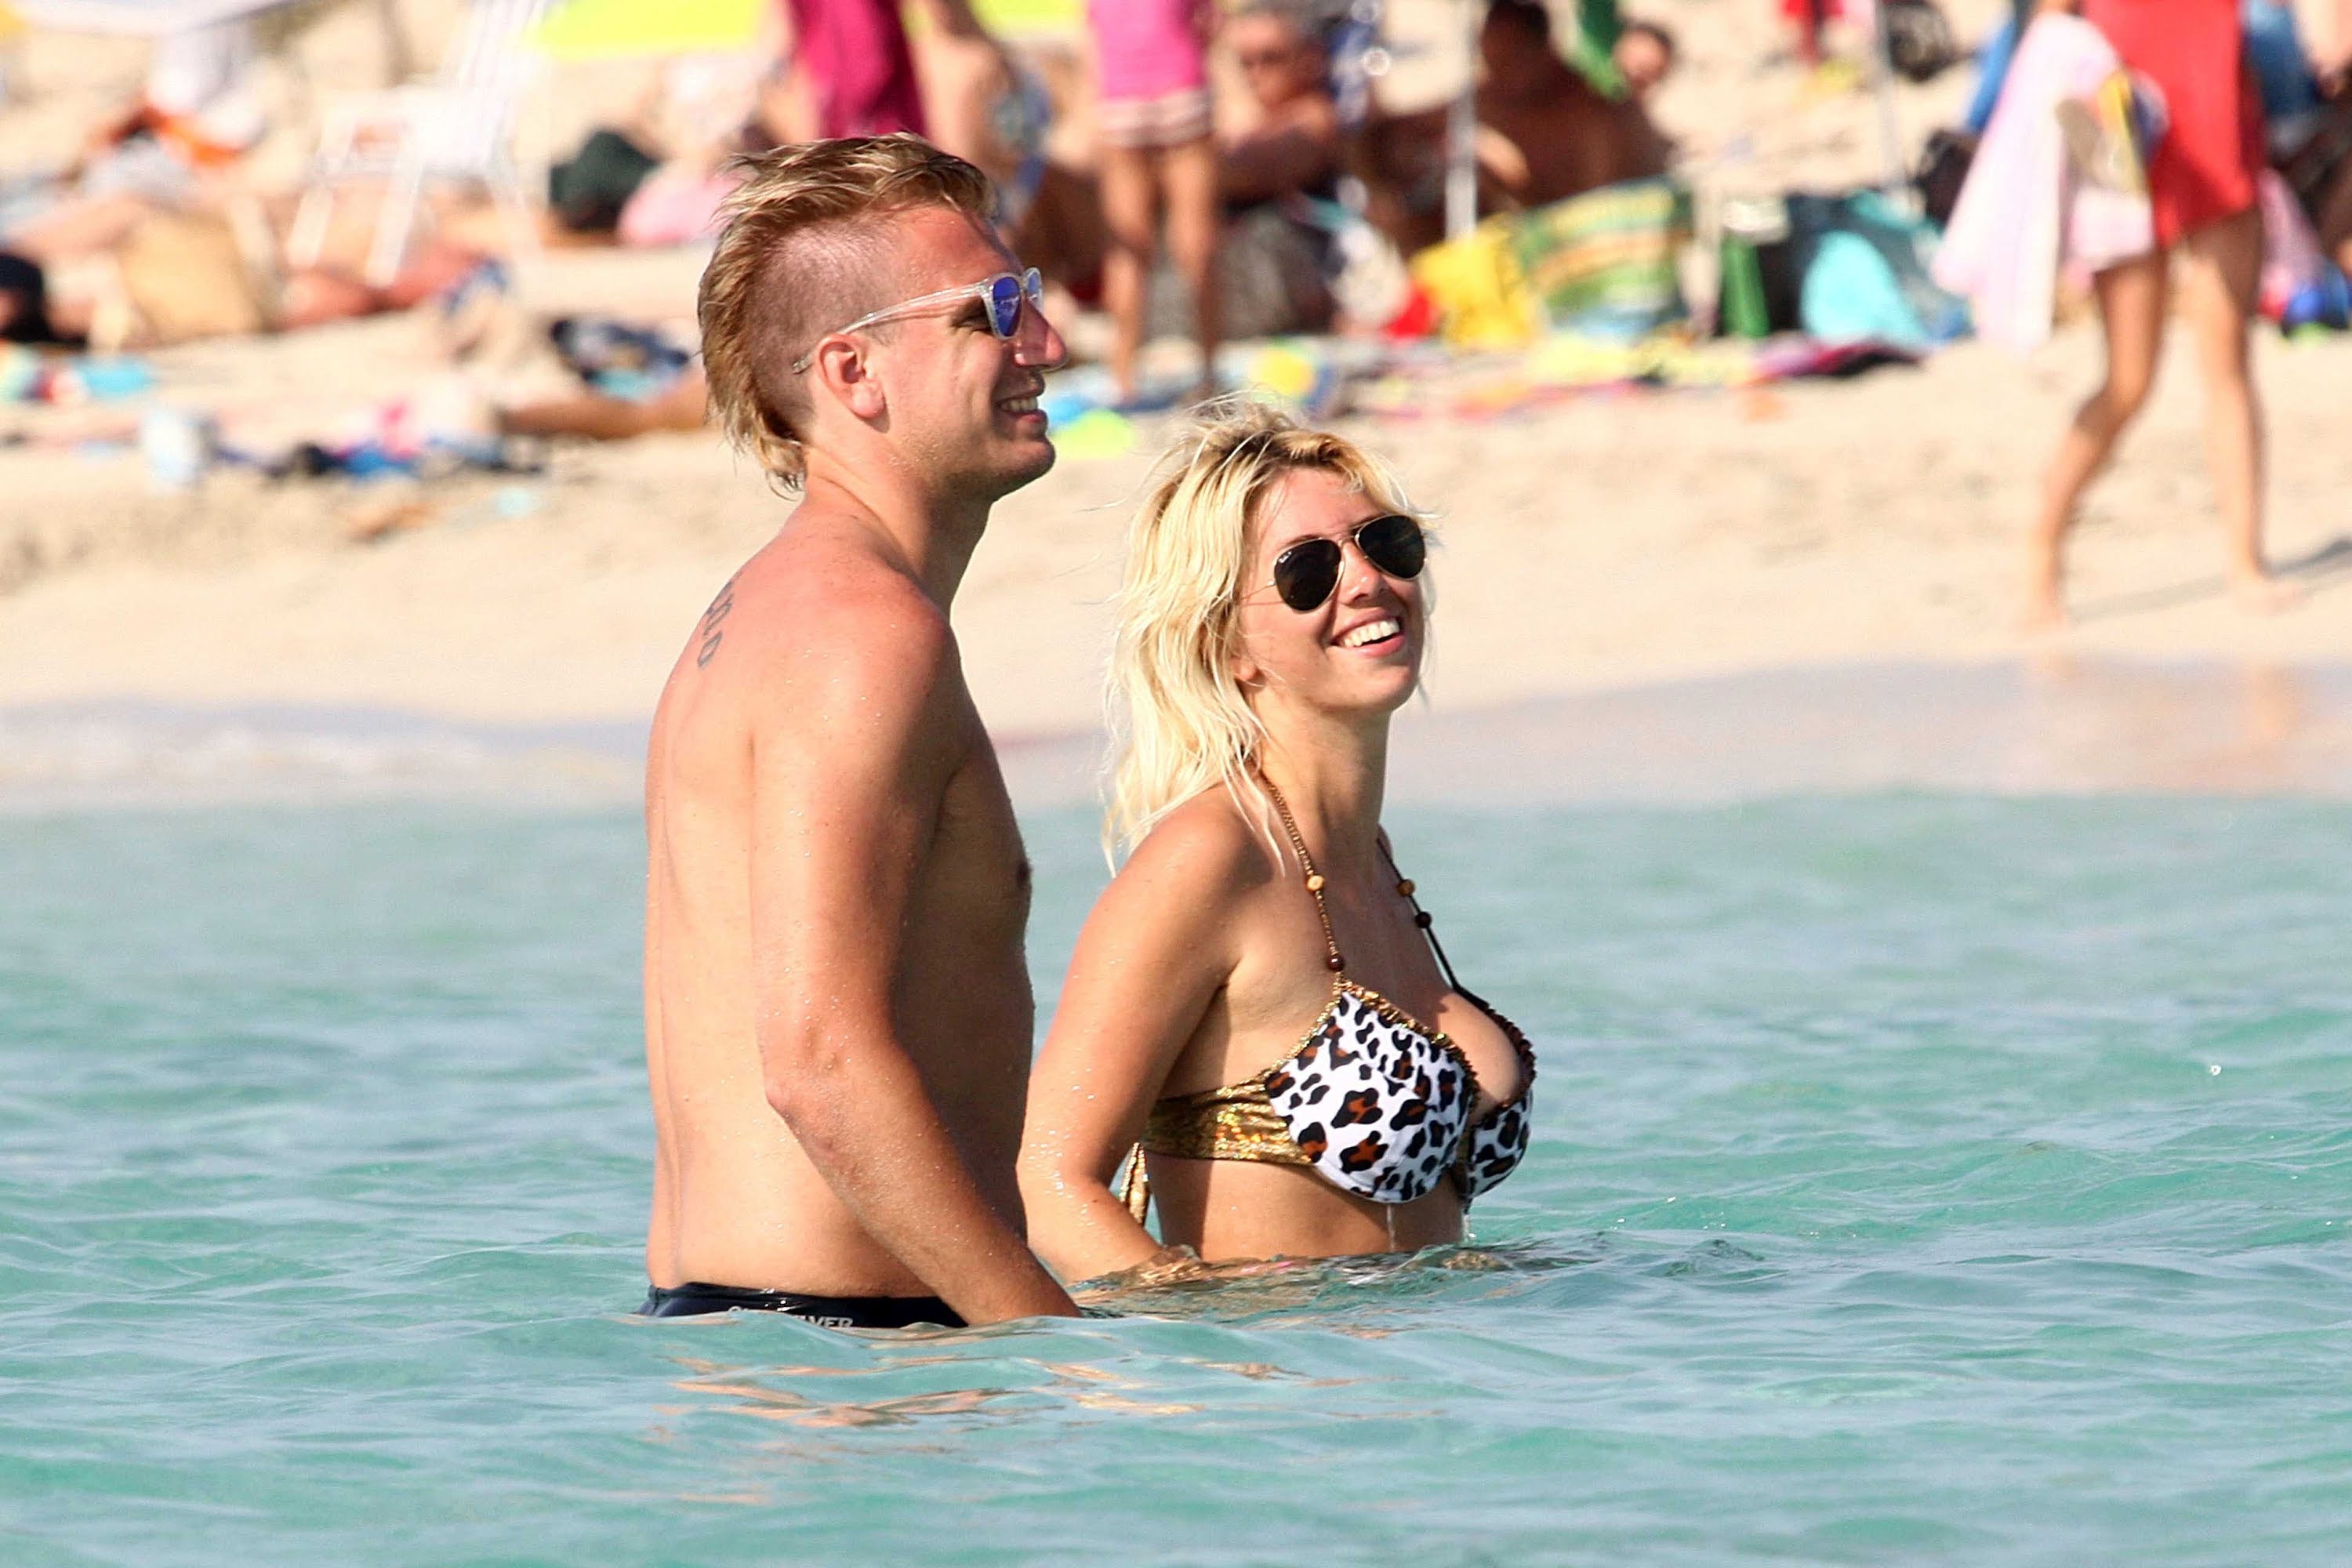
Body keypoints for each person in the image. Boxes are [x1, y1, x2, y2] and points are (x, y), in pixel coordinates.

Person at [640, 136, 1082, 1329]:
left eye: (1031, 298)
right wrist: (1056, 1348)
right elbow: (818, 1067)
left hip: (762, 1343)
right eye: (994, 311)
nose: (1047, 343)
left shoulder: (765, 611)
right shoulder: (860, 636)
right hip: (850, 1362)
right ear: (855, 371)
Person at [1018, 405, 1537, 1286]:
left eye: (1386, 543)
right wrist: (1202, 1313)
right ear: (1229, 645)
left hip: (1434, 1358)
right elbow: (1047, 1182)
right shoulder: (1210, 859)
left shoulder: (1369, 857)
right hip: (1279, 1367)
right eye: (1307, 571)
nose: (1366, 580)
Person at [2025, 0, 2299, 628]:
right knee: (2129, 380)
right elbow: (2048, 34)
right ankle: (2043, 545)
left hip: (2217, 119)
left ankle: (2246, 563)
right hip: (2122, 129)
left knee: (2228, 362)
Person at [1089, 0, 1221, 401]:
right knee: (1196, 243)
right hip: (1181, 85)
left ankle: (1123, 375)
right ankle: (1209, 371)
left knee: (1128, 247)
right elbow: (1211, 22)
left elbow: (1092, 34)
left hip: (1120, 97)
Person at [1220, 1, 1343, 207]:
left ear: (1310, 58)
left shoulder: (1315, 118)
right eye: (1246, 62)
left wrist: (1186, 168)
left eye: (1270, 59)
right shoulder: (1251, 115)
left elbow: (1257, 168)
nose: (1255, 74)